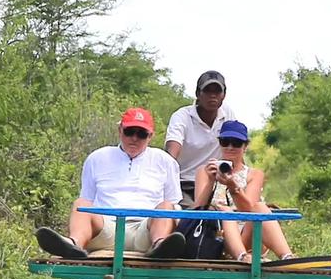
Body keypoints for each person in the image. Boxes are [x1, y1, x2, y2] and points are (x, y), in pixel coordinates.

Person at [37, 108, 188, 261]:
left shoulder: (165, 161)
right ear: (120, 130)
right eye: (129, 132)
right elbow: (87, 200)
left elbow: (173, 203)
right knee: (81, 204)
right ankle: (73, 244)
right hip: (107, 228)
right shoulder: (97, 158)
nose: (134, 138)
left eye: (141, 134)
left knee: (166, 207)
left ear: (150, 136)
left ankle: (160, 245)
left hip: (145, 229)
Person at [193, 120, 294, 262]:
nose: (230, 147)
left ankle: (287, 257)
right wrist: (210, 182)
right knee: (226, 212)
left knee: (259, 207)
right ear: (219, 143)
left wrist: (233, 187)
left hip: (245, 234)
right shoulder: (205, 171)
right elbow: (197, 211)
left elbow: (249, 211)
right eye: (225, 142)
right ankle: (242, 257)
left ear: (245, 146)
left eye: (236, 143)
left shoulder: (254, 174)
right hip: (214, 235)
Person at [164, 73, 240, 202]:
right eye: (207, 90)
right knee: (188, 217)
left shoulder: (227, 114)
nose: (213, 95)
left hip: (217, 182)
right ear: (198, 94)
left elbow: (236, 150)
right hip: (184, 183)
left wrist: (243, 183)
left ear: (224, 95)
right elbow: (171, 154)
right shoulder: (182, 116)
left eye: (217, 91)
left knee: (229, 213)